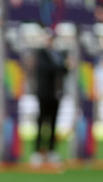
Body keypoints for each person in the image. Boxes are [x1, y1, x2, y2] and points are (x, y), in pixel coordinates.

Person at [31, 30, 68, 166]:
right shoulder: (41, 53)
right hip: (44, 93)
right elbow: (47, 69)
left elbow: (64, 70)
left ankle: (51, 151)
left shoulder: (58, 54)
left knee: (53, 123)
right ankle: (37, 152)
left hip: (55, 94)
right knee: (41, 122)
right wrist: (59, 67)